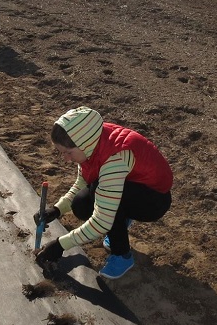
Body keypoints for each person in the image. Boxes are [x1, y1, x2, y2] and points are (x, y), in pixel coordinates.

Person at [34, 106, 173, 280]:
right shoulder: (89, 139)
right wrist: (57, 210)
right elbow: (82, 182)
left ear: (83, 144)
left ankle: (122, 255)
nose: (66, 159)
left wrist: (60, 245)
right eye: (62, 153)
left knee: (105, 200)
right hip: (131, 184)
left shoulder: (114, 158)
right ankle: (121, 218)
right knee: (81, 203)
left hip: (153, 200)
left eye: (68, 153)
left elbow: (102, 221)